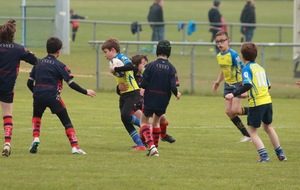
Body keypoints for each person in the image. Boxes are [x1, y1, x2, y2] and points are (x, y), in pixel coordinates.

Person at [27, 37, 96, 155]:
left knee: (37, 116)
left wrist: (38, 93)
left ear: (47, 49)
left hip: (38, 96)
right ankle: (75, 147)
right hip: (53, 97)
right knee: (66, 121)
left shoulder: (37, 63)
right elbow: (71, 84)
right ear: (59, 51)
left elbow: (29, 83)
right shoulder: (60, 65)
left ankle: (36, 138)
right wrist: (85, 91)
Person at [225, 42, 287, 162]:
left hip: (257, 103)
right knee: (268, 127)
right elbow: (267, 86)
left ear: (242, 56)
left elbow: (248, 84)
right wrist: (248, 94)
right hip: (267, 101)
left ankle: (264, 156)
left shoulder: (246, 69)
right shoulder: (260, 68)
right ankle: (280, 153)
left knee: (252, 131)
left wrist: (233, 94)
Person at [0, 19, 38, 157]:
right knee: (7, 114)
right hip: (7, 86)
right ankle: (7, 143)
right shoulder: (18, 49)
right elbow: (36, 61)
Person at [101, 38, 146, 151]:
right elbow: (122, 80)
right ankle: (140, 144)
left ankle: (146, 127)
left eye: (106, 52)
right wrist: (118, 88)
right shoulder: (113, 61)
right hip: (124, 94)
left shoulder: (121, 57)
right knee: (124, 119)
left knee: (126, 116)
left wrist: (116, 68)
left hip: (132, 92)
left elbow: (131, 67)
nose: (104, 55)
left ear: (113, 50)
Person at [140, 40, 181, 157]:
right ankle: (155, 149)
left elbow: (143, 84)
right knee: (156, 122)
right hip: (163, 99)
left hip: (150, 97)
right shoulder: (172, 68)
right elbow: (173, 86)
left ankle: (151, 146)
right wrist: (177, 94)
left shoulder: (149, 66)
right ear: (169, 52)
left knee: (144, 121)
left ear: (157, 50)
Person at [212, 31, 251, 143]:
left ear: (228, 41)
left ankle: (254, 110)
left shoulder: (233, 55)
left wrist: (244, 87)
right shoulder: (219, 56)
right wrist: (218, 81)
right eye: (217, 42)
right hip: (227, 86)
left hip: (238, 84)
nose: (220, 44)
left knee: (235, 110)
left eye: (222, 41)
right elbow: (224, 70)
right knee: (229, 112)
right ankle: (247, 135)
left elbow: (243, 70)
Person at [130, 54, 176, 144]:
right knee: (148, 123)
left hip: (148, 103)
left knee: (163, 118)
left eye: (146, 63)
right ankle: (144, 142)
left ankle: (163, 135)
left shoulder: (148, 75)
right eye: (143, 63)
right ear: (135, 65)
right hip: (135, 106)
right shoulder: (132, 78)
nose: (145, 65)